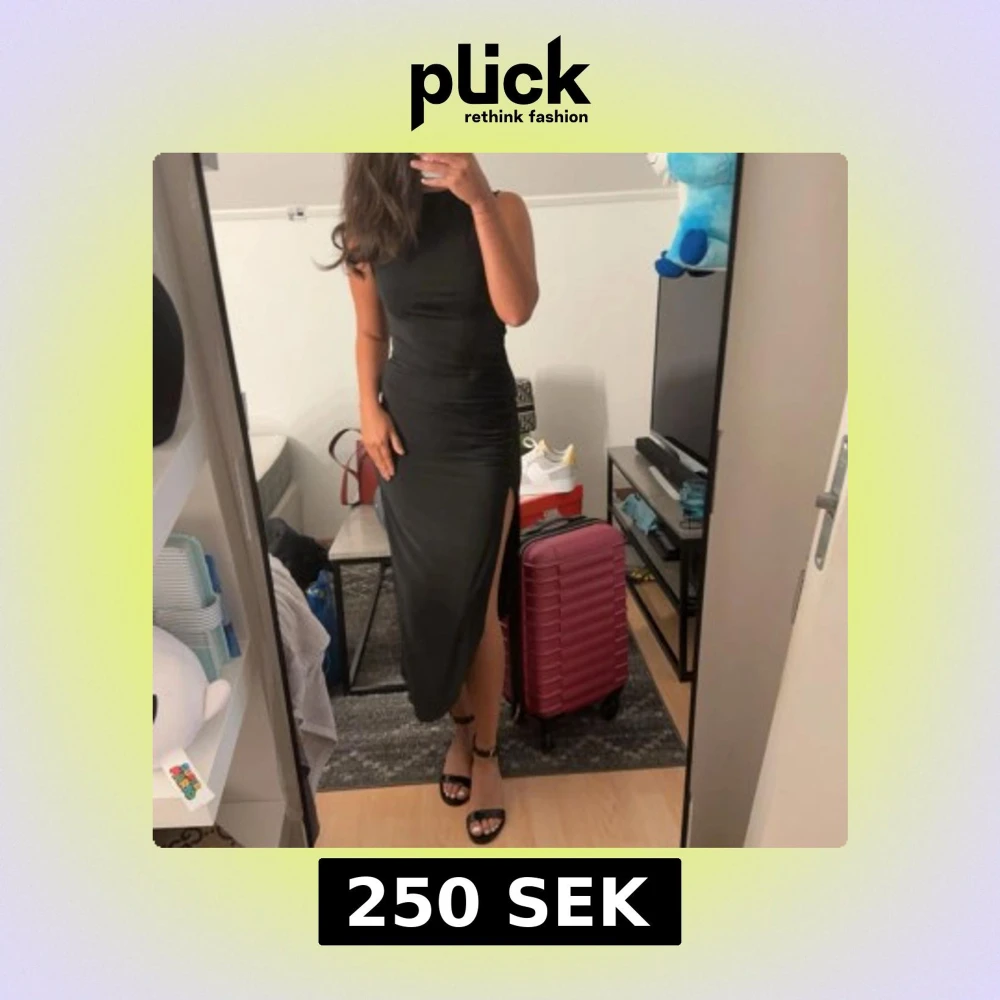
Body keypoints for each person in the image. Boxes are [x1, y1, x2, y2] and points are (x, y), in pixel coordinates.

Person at [330, 153, 538, 844]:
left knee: (478, 603)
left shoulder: (503, 206)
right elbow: (371, 332)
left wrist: (478, 203)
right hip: (408, 436)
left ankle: (488, 755)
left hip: (480, 432)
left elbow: (516, 309)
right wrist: (368, 410)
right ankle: (460, 727)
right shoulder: (368, 225)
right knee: (428, 600)